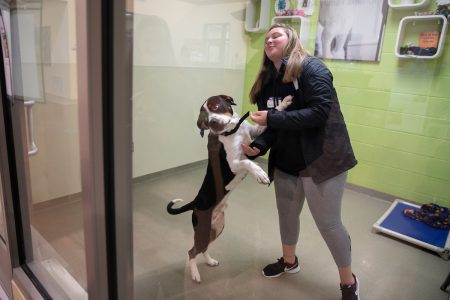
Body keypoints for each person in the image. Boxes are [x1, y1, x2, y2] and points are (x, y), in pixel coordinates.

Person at [241, 23, 360, 300]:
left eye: (276, 35)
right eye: (267, 37)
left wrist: (272, 118)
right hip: (287, 160)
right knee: (287, 215)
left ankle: (348, 282)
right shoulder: (266, 82)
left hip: (322, 158)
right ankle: (289, 261)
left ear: (292, 40)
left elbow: (319, 112)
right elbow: (273, 126)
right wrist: (258, 146)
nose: (269, 39)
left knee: (329, 224)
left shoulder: (312, 69)